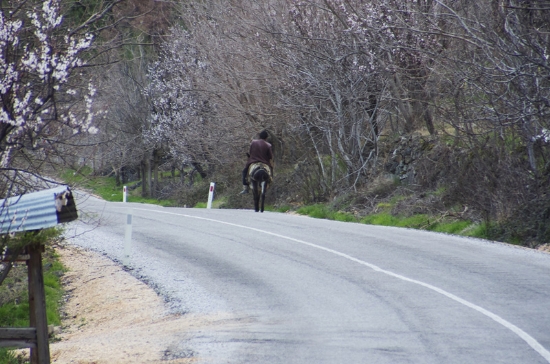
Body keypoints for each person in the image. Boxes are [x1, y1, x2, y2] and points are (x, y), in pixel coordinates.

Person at [240, 130, 273, 194]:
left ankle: (245, 188)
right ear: (266, 138)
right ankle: (270, 181)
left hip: (253, 161)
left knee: (244, 171)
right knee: (270, 170)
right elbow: (270, 156)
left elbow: (251, 152)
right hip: (264, 163)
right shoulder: (268, 145)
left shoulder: (253, 142)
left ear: (259, 136)